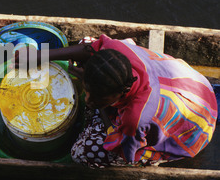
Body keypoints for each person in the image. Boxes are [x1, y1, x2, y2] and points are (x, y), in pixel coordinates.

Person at [14, 35, 218, 167]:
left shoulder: (135, 118)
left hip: (194, 130)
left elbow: (127, 152)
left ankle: (156, 157)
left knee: (81, 153)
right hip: (197, 88)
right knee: (87, 41)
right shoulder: (116, 50)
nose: (88, 99)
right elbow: (89, 49)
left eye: (96, 96)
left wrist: (100, 109)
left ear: (121, 93)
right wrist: (38, 56)